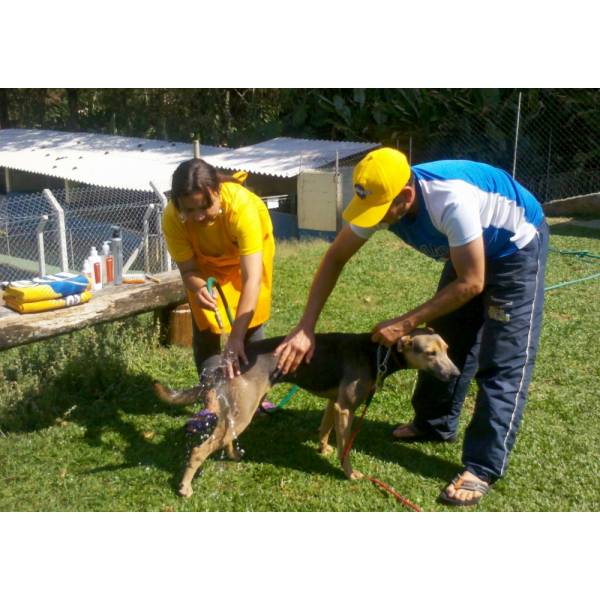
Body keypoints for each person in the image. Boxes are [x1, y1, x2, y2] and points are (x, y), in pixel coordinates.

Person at [274, 147, 548, 506]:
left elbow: (472, 282)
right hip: (465, 251)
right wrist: (305, 326)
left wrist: (405, 323)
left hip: (514, 247)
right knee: (448, 336)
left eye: (381, 213)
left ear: (406, 196)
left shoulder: (451, 201)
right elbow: (335, 257)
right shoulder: (380, 196)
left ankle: (482, 466)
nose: (375, 220)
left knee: (503, 361)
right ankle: (433, 425)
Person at [163, 158, 275, 382]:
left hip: (245, 263)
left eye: (205, 207)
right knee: (206, 328)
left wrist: (236, 336)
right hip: (205, 266)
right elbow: (188, 271)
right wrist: (199, 287)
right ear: (178, 204)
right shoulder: (172, 218)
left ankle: (253, 399)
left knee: (249, 326)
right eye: (189, 210)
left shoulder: (242, 208)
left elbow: (252, 279)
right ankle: (211, 401)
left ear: (217, 191)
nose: (198, 217)